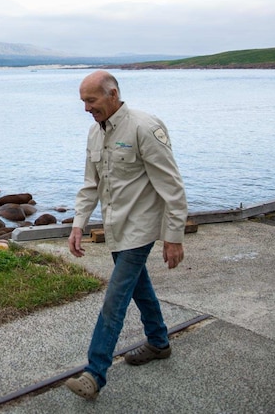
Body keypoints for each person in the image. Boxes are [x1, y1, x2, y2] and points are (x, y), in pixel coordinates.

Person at [64, 70, 188, 400]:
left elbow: (172, 186)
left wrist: (173, 237)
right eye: (83, 102)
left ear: (113, 94)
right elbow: (91, 185)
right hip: (116, 227)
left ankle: (94, 373)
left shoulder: (145, 127)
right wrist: (78, 224)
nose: (87, 108)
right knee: (139, 288)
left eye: (91, 100)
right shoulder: (95, 133)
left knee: (114, 299)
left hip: (141, 227)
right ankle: (159, 342)